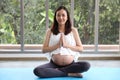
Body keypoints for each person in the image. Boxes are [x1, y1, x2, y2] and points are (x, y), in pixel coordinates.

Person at [33, 6, 90, 78]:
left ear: (67, 17)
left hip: (71, 64)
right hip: (54, 64)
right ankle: (68, 73)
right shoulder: (50, 31)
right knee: (37, 71)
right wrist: (57, 46)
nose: (61, 18)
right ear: (55, 17)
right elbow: (44, 50)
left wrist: (66, 45)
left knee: (86, 65)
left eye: (63, 15)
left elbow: (80, 48)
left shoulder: (73, 30)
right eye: (58, 15)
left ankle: (57, 71)